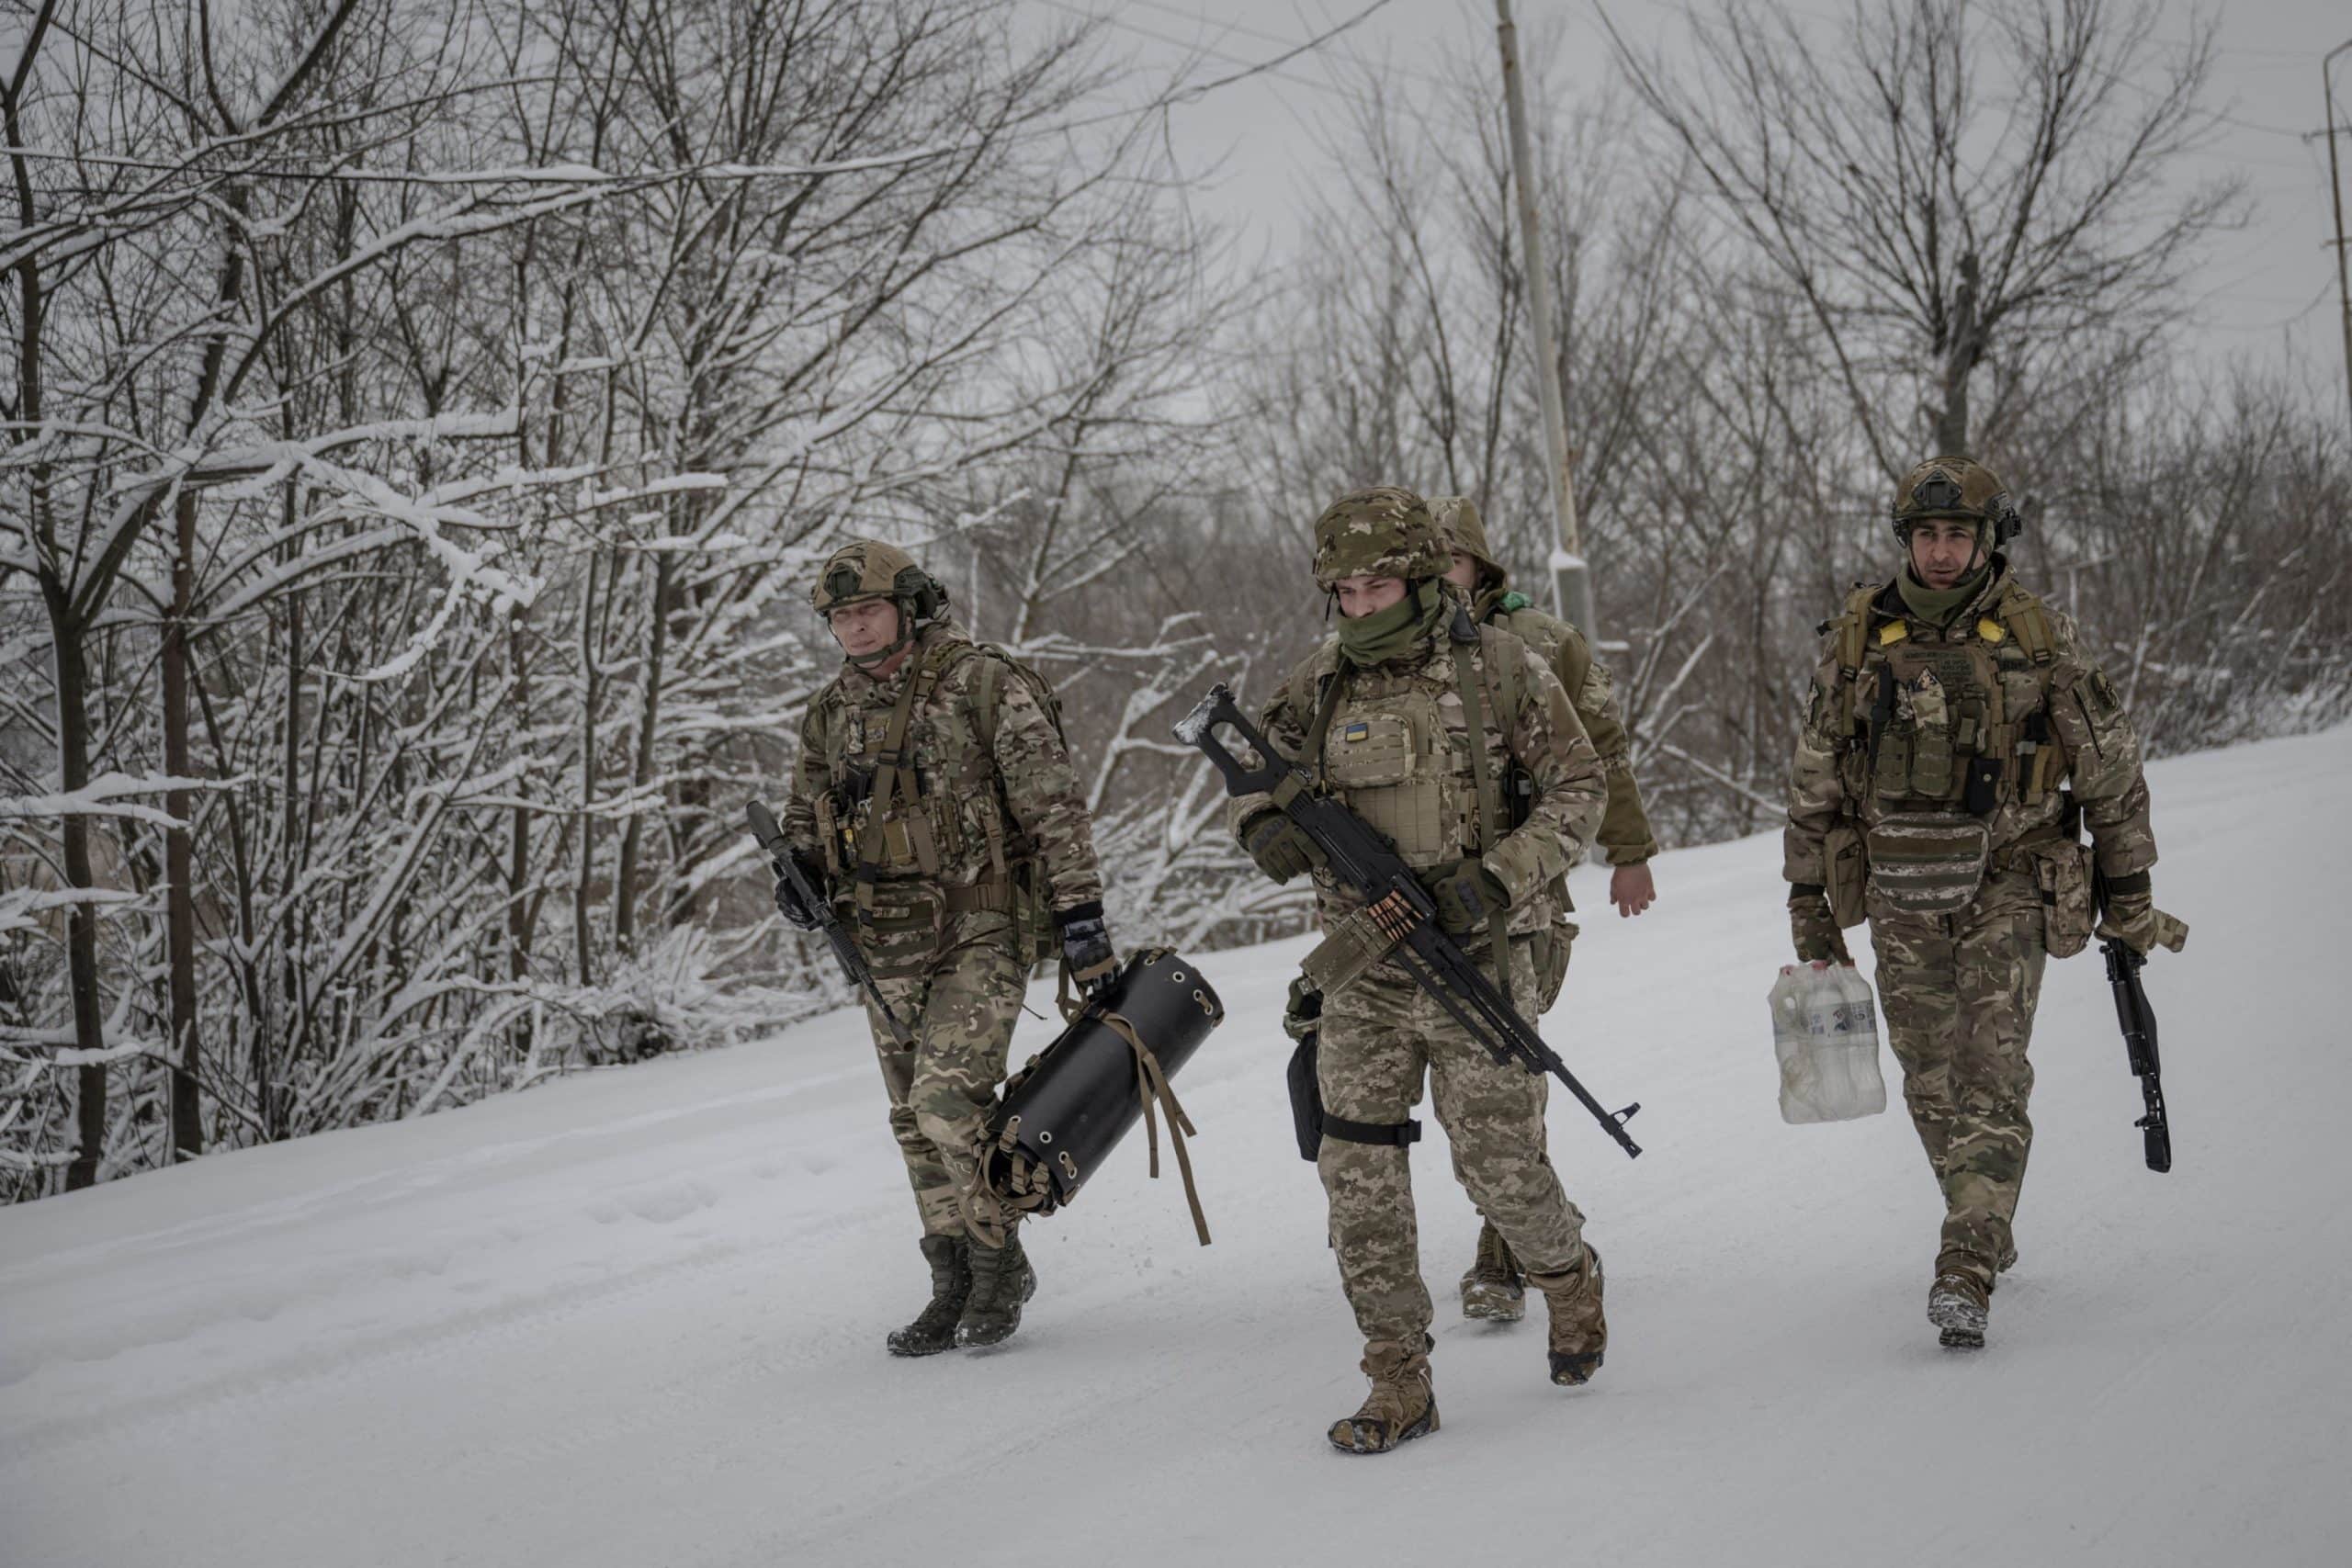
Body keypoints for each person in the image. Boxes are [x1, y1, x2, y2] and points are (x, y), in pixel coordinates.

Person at [1232, 486, 1610, 1452]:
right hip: (1361, 969)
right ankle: (1397, 1378)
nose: (1361, 607)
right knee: (1355, 1174)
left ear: (1420, 577)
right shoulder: (1319, 684)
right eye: (1345, 592)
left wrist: (1500, 876)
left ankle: (1567, 1276)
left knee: (1498, 1167)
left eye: (1380, 587)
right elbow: (1254, 773)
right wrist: (1263, 825)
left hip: (1475, 960)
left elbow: (1580, 787)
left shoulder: (1502, 669)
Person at [1781, 457, 2186, 1348]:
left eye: (1956, 535)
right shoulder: (1858, 639)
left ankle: (1964, 1258)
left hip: (2010, 880)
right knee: (1929, 1075)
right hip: (1900, 888)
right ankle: (1983, 1211)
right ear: (1905, 538)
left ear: (1987, 538)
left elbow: (2111, 771)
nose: (1939, 551)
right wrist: (1808, 901)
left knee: (1989, 1069)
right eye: (1926, 534)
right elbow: (1815, 779)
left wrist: (2130, 893)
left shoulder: (2038, 637)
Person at [777, 540, 1115, 1356]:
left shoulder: (980, 682)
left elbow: (1054, 805)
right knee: (911, 1120)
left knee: (946, 1101)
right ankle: (952, 1277)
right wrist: (798, 875)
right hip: (882, 938)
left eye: (868, 609)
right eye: (840, 616)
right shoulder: (830, 712)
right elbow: (804, 815)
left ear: (910, 606)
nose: (855, 628)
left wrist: (1082, 916)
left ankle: (999, 1257)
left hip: (980, 922)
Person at [1430, 495, 1664, 1324]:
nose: (1439, 579)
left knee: (1507, 1072)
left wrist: (1629, 853)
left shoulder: (1541, 643)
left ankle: (1509, 1250)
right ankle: (1533, 1227)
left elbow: (1600, 751)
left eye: (1452, 562)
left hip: (1522, 897)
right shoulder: (1391, 654)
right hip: (1421, 913)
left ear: (1481, 567)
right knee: (1465, 1093)